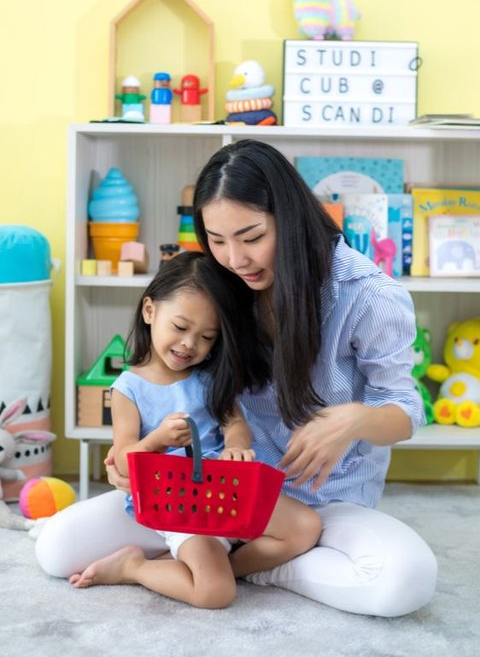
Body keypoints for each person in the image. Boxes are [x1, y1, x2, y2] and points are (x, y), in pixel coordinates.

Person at [35, 139, 438, 616]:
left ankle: (235, 566)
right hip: (215, 489)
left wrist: (354, 420)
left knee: (404, 582)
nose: (235, 258)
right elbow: (171, 369)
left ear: (288, 218)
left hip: (322, 500)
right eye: (217, 240)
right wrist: (133, 455)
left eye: (251, 237)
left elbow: (405, 409)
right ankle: (225, 560)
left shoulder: (366, 294)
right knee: (56, 549)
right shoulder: (224, 282)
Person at [65, 253, 322, 608]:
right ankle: (135, 566)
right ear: (150, 311)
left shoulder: (210, 378)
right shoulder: (128, 388)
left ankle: (224, 567)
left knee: (305, 527)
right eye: (181, 327)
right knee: (214, 594)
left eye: (206, 337)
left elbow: (236, 425)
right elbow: (124, 460)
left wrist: (236, 445)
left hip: (228, 491)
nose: (190, 344)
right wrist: (157, 441)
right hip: (179, 502)